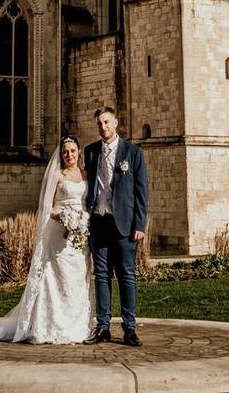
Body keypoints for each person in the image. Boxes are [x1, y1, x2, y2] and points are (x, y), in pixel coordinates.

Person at [0, 136, 93, 344]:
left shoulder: (85, 174)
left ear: (79, 152)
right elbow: (46, 206)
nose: (69, 155)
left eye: (72, 151)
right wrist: (64, 218)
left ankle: (76, 327)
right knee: (56, 276)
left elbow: (87, 203)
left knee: (77, 277)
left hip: (80, 235)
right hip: (59, 233)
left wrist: (82, 221)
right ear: (61, 154)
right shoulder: (57, 175)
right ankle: (50, 326)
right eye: (65, 152)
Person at [84, 106, 148, 347]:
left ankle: (130, 328)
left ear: (116, 123)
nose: (103, 127)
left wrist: (139, 224)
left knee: (126, 275)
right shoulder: (91, 152)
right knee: (101, 275)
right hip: (99, 221)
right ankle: (103, 326)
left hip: (124, 224)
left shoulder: (132, 152)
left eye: (107, 122)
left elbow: (141, 192)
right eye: (100, 123)